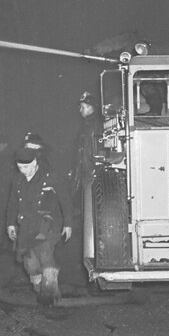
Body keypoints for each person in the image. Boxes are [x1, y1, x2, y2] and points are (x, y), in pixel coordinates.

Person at [5, 145, 71, 305]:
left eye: (26, 167)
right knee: (30, 262)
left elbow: (65, 200)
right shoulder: (18, 180)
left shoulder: (50, 177)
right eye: (20, 167)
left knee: (45, 253)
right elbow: (13, 203)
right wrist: (10, 224)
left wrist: (68, 224)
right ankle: (39, 287)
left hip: (47, 223)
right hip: (27, 225)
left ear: (34, 163)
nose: (23, 171)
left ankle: (50, 293)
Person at [65, 91, 102, 287]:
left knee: (92, 217)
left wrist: (91, 172)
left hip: (91, 175)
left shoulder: (94, 125)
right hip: (87, 175)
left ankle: (96, 258)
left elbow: (91, 152)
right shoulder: (87, 126)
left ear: (92, 107)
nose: (81, 110)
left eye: (84, 106)